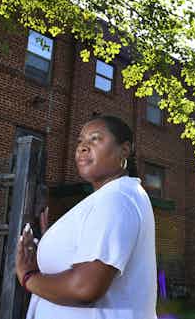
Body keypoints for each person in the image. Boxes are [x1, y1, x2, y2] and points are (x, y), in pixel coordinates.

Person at [15, 114, 158, 319]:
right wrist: (55, 244)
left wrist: (28, 276)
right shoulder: (112, 197)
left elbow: (84, 288)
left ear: (124, 150)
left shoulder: (116, 198)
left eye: (95, 139)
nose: (82, 147)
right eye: (80, 141)